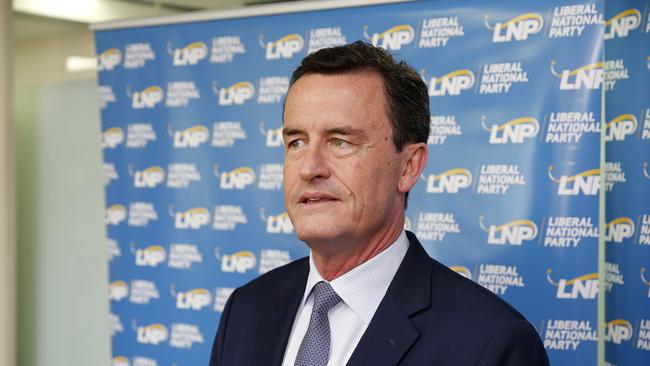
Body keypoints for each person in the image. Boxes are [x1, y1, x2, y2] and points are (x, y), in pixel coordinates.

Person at [210, 41, 549, 366]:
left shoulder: (491, 343)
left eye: (340, 142)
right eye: (296, 142)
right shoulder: (247, 308)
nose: (309, 167)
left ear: (409, 166)